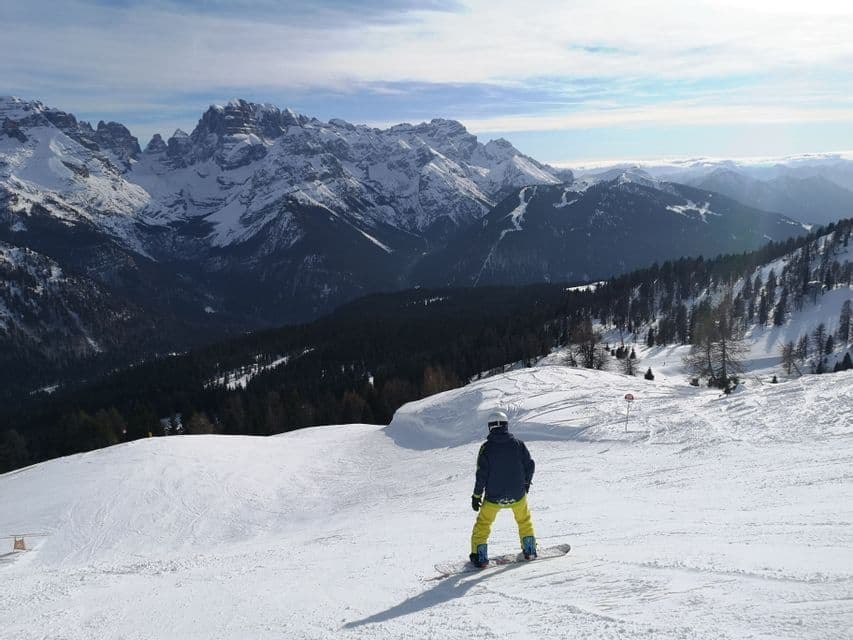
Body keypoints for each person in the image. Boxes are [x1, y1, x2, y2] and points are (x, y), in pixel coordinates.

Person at [469, 410, 536, 568]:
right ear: (506, 425)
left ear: (490, 427)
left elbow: (481, 475)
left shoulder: (486, 448)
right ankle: (530, 549)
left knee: (483, 524)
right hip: (517, 495)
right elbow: (530, 465)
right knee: (524, 520)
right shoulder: (518, 444)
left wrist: (476, 496)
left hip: (494, 498)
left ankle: (480, 556)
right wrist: (526, 484)